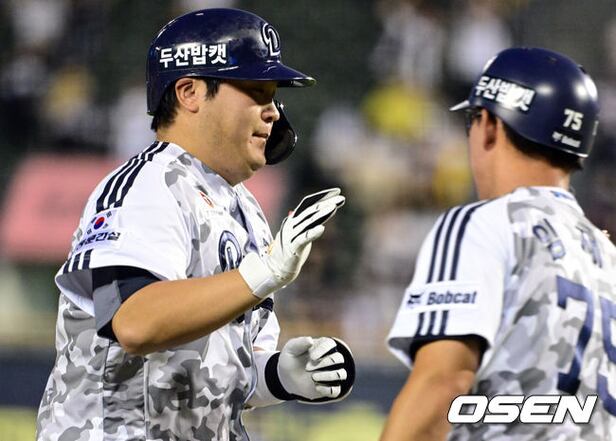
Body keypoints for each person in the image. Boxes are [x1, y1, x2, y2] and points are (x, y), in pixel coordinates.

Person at [36, 8, 355, 441]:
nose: (274, 113)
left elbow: (225, 372)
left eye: (272, 96)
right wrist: (262, 273)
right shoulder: (147, 185)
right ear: (189, 92)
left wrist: (283, 375)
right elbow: (134, 322)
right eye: (256, 91)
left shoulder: (246, 209)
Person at [381, 47, 616, 441]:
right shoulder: (608, 256)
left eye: (472, 120)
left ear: (490, 125)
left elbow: (444, 382)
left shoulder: (485, 224)